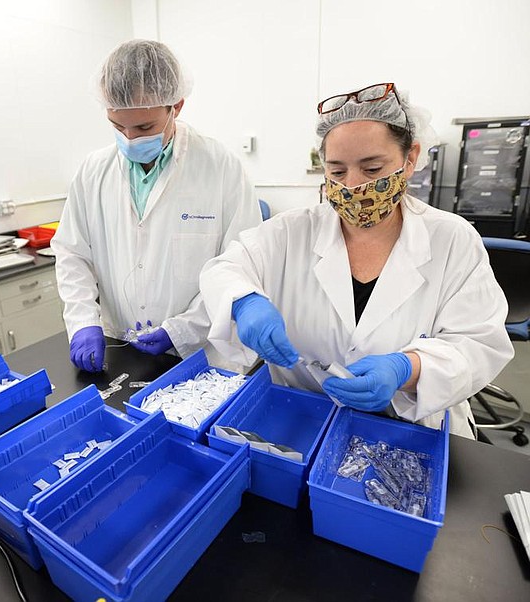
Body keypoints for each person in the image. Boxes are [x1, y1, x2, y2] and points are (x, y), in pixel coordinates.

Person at [199, 82, 514, 438]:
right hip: (303, 421)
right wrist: (245, 302)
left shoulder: (452, 239)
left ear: (410, 159)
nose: (352, 186)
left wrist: (407, 368)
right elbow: (224, 269)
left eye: (372, 169)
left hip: (410, 429)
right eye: (336, 171)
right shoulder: (291, 231)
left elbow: (479, 344)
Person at [52, 39, 259, 372]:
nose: (130, 138)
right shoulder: (93, 171)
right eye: (118, 126)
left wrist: (183, 329)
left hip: (203, 354)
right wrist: (82, 320)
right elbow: (72, 253)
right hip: (121, 348)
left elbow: (240, 264)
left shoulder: (220, 167)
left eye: (144, 127)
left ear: (176, 106)